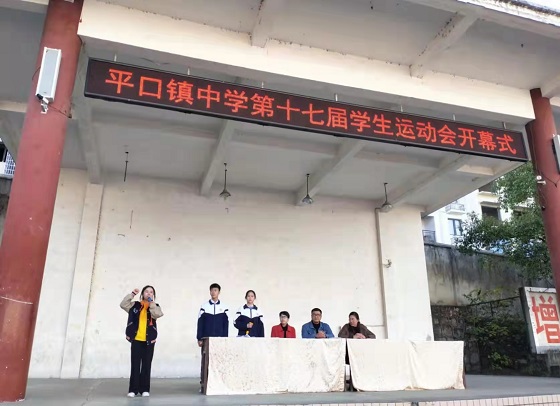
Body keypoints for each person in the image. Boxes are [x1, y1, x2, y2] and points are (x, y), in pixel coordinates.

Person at [120, 285, 163, 398]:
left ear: (153, 295)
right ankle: (133, 390)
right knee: (135, 365)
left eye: (151, 292)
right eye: (146, 291)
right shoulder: (135, 305)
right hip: (136, 339)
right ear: (142, 294)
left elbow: (158, 314)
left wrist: (151, 303)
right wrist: (132, 294)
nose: (149, 293)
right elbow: (123, 304)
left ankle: (144, 389)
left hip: (149, 340)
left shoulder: (155, 306)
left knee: (146, 365)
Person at [197, 283, 229, 393]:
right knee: (205, 362)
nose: (213, 292)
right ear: (210, 292)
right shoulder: (204, 307)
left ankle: (219, 385)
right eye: (212, 290)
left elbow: (226, 324)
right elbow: (200, 323)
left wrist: (225, 339)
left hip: (219, 339)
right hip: (206, 338)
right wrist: (199, 338)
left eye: (215, 290)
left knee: (219, 362)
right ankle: (203, 385)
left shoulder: (224, 307)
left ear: (219, 292)